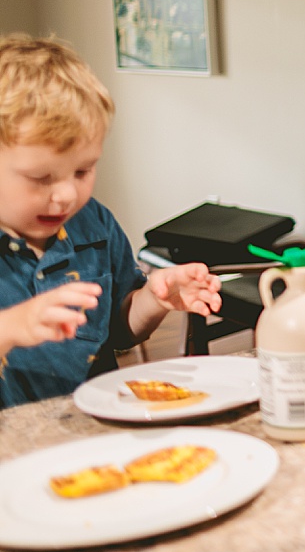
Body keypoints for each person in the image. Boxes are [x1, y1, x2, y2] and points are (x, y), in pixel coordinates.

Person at [0, 35, 221, 408]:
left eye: (83, 170)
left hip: (92, 428)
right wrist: (10, 328)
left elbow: (121, 330)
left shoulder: (94, 224)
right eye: (41, 178)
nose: (67, 195)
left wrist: (153, 298)